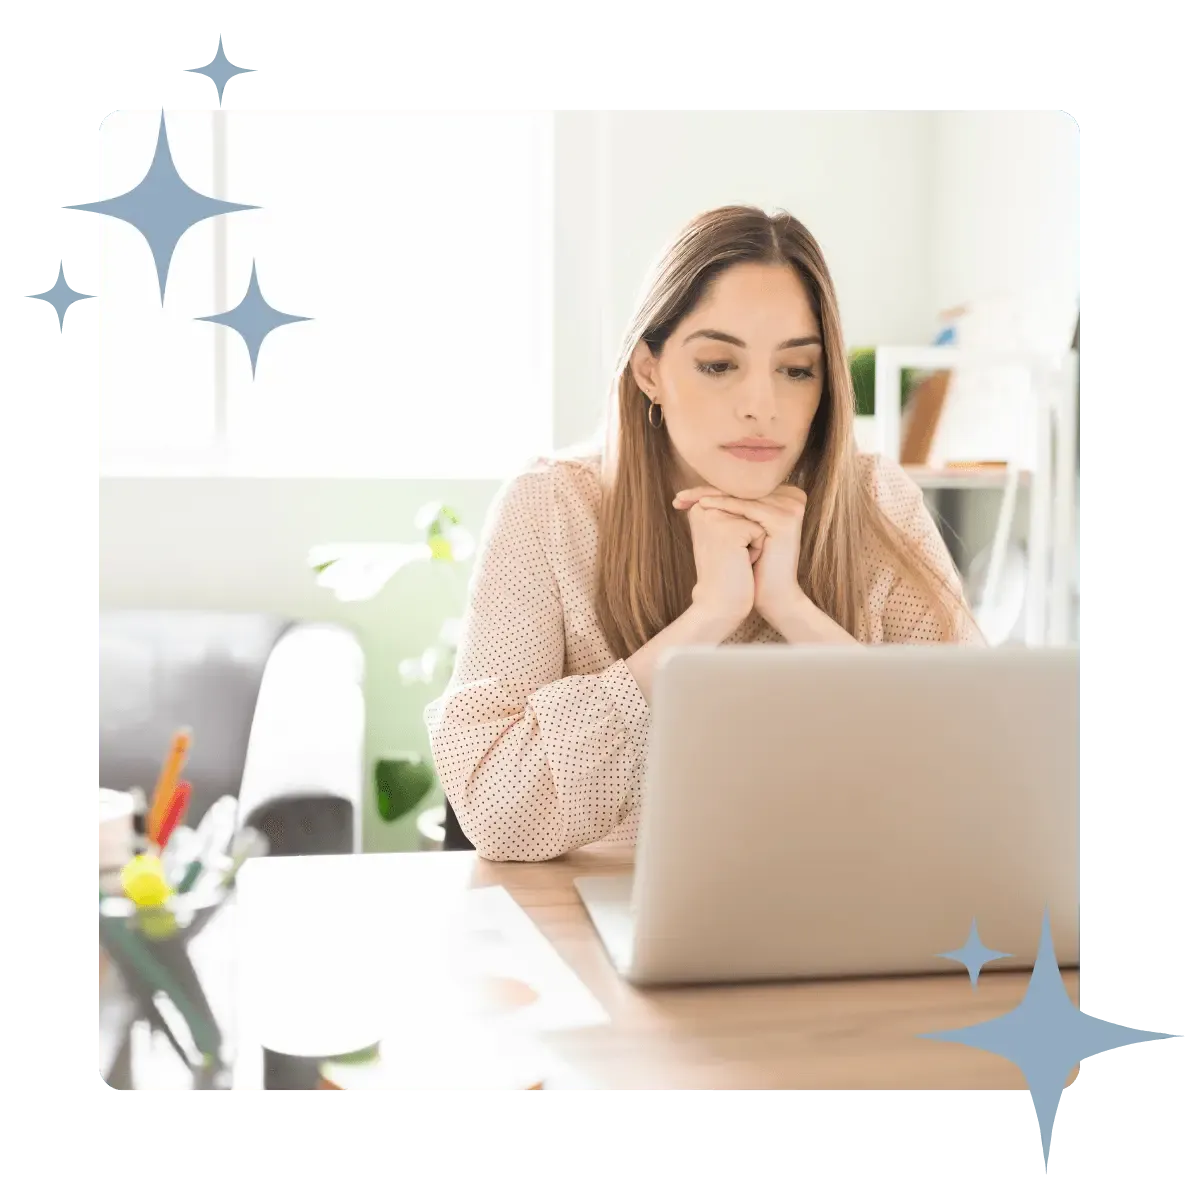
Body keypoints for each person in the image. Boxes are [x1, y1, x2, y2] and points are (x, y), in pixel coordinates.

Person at [426, 205, 983, 863]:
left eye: (796, 369)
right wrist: (705, 621)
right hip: (604, 919)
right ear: (649, 371)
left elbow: (979, 766)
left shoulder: (874, 500)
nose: (762, 405)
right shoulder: (550, 508)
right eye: (719, 364)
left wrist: (793, 612)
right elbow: (497, 811)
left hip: (850, 913)